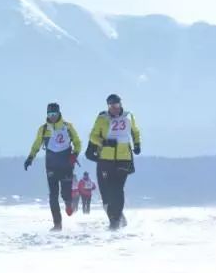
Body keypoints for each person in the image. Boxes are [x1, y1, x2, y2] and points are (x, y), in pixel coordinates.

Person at [85, 93, 141, 230]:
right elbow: (92, 136)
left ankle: (114, 222)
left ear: (120, 104)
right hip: (105, 159)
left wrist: (137, 144)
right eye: (111, 105)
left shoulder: (128, 116)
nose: (114, 108)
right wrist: (103, 142)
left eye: (116, 105)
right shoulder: (102, 118)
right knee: (106, 193)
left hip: (124, 158)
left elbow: (135, 131)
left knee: (117, 190)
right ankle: (117, 216)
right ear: (108, 106)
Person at [24, 102, 81, 231]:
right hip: (51, 165)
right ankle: (57, 224)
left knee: (65, 193)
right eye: (50, 114)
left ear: (59, 113)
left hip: (66, 163)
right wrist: (30, 158)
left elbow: (77, 142)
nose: (52, 116)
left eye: (54, 114)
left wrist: (75, 154)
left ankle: (68, 203)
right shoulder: (43, 129)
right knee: (53, 195)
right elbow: (36, 145)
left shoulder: (67, 127)